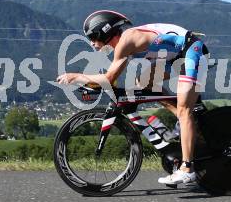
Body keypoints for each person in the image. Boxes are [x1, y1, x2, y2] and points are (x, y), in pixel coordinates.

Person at [57, 10, 208, 185]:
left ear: (104, 32)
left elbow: (109, 78)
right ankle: (182, 123)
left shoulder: (126, 41)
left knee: (185, 110)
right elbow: (110, 82)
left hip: (192, 50)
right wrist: (92, 84)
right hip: (178, 56)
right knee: (143, 81)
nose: (92, 43)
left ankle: (187, 169)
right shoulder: (123, 43)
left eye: (93, 37)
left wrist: (76, 77)